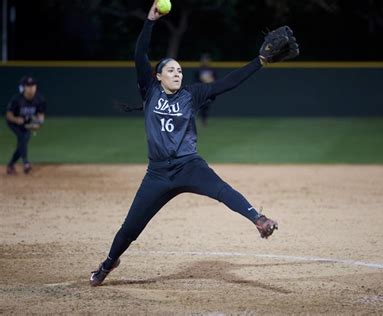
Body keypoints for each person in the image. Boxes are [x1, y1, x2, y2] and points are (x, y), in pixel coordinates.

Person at [90, 0, 299, 286]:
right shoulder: (149, 91)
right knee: (131, 229)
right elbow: (140, 54)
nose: (177, 73)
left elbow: (229, 83)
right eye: (171, 70)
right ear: (158, 76)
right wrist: (150, 21)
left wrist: (259, 62)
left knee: (222, 190)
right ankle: (108, 264)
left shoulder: (193, 94)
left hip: (189, 166)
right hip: (158, 174)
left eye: (179, 70)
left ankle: (258, 220)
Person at [5, 76, 46, 175]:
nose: (31, 88)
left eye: (33, 85)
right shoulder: (17, 99)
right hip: (14, 123)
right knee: (22, 138)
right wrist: (16, 119)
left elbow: (41, 116)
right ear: (23, 87)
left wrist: (38, 123)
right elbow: (9, 115)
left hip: (27, 123)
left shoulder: (40, 99)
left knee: (23, 143)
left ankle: (11, 165)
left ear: (36, 87)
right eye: (28, 86)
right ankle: (25, 163)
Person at [194, 53, 217, 126]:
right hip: (200, 90)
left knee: (206, 106)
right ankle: (195, 120)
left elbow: (215, 79)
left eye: (207, 59)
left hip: (208, 90)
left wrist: (210, 80)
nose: (205, 61)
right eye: (204, 59)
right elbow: (195, 80)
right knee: (198, 106)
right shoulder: (198, 70)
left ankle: (204, 121)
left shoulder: (212, 69)